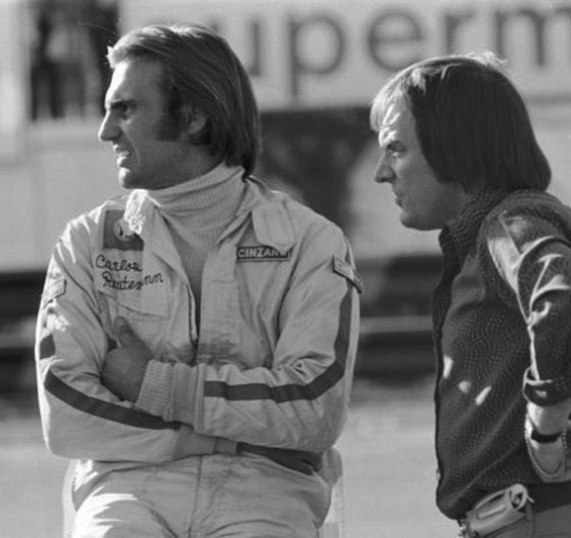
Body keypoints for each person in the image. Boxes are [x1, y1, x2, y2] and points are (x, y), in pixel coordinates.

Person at [35, 22, 361, 538]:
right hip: (127, 486)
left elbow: (315, 411)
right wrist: (222, 437)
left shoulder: (310, 241)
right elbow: (66, 415)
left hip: (267, 491)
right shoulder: (87, 241)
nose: (105, 131)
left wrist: (153, 384)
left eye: (125, 109)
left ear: (192, 118)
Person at [369, 53, 571, 537]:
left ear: (455, 146)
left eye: (395, 148)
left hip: (545, 519)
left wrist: (544, 429)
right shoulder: (500, 229)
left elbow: (569, 300)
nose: (381, 172)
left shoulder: (510, 224)